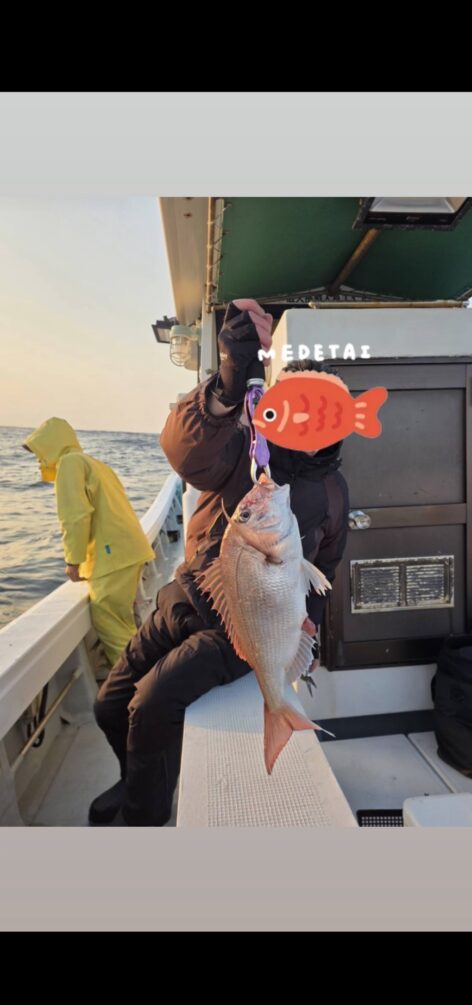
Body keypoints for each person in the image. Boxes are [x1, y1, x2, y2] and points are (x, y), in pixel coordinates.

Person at [90, 299, 350, 826]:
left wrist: (310, 632)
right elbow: (185, 451)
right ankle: (132, 778)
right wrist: (227, 386)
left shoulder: (332, 491)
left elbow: (326, 566)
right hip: (183, 599)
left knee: (150, 707)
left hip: (241, 632)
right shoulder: (244, 449)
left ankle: (144, 816)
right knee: (108, 705)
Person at [23, 417, 155, 667]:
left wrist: (73, 561)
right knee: (124, 621)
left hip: (112, 558)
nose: (39, 459)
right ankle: (147, 675)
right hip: (130, 551)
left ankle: (135, 684)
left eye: (39, 452)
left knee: (112, 625)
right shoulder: (95, 463)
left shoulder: (69, 464)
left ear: (51, 445)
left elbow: (75, 517)